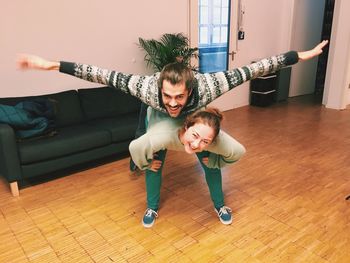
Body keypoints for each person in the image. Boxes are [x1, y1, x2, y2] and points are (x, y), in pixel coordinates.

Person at [17, 40, 328, 227]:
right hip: (153, 117)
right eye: (169, 95)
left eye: (179, 96)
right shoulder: (147, 89)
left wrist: (299, 56)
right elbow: (99, 73)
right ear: (160, 88)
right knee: (153, 158)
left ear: (190, 89)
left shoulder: (209, 85)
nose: (174, 102)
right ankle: (151, 205)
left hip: (197, 120)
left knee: (209, 156)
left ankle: (220, 204)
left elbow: (256, 68)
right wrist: (51, 65)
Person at [129, 106, 245, 227]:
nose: (196, 145)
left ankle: (220, 206)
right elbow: (135, 147)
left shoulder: (208, 135)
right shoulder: (161, 136)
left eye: (205, 141)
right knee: (154, 166)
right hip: (159, 119)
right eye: (195, 136)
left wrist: (215, 161)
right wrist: (147, 164)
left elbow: (239, 151)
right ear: (186, 127)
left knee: (211, 166)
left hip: (195, 122)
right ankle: (152, 208)